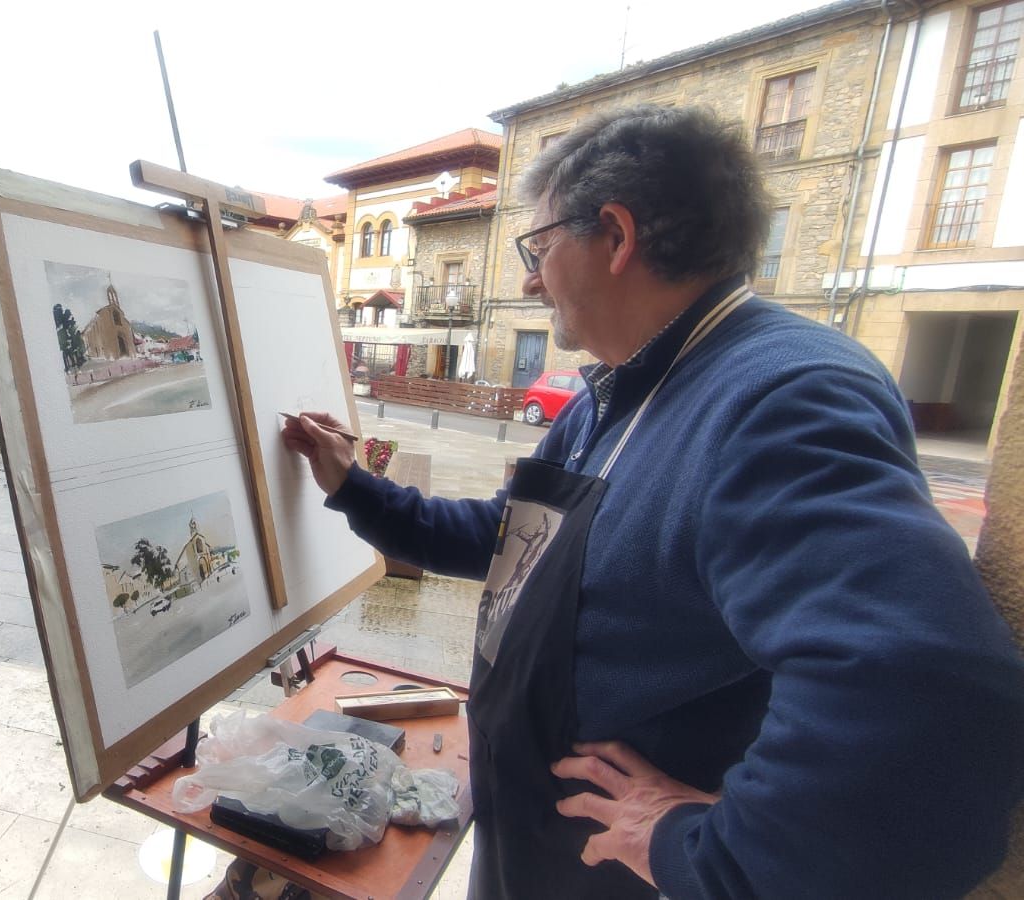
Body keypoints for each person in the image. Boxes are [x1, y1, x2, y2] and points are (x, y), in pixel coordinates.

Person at [282, 105, 1024, 900]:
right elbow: (518, 545)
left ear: (615, 234)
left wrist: (702, 853)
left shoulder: (778, 391)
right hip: (537, 846)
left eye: (538, 249)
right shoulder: (625, 385)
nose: (530, 280)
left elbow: (926, 692)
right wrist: (352, 486)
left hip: (618, 876)